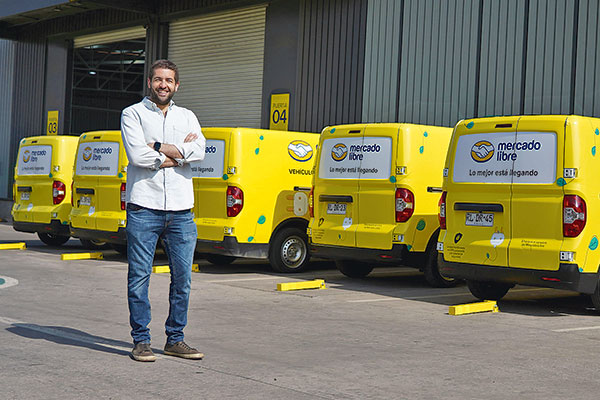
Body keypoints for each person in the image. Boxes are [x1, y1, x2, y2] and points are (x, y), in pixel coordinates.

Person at [120, 59, 206, 362]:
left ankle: (175, 339)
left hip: (182, 211)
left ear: (177, 85)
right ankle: (141, 340)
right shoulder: (133, 114)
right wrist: (179, 154)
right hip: (144, 207)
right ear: (149, 82)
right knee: (139, 276)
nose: (163, 85)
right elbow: (137, 156)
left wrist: (157, 145)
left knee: (182, 278)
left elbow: (201, 151)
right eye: (158, 80)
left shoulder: (188, 116)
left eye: (169, 80)